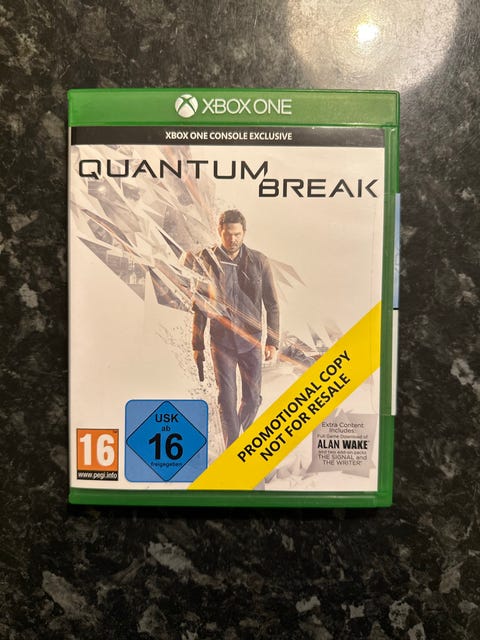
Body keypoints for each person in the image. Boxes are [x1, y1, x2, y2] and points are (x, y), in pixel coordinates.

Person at [192, 209, 280, 448]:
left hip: (252, 341)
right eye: (228, 234)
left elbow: (272, 304)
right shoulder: (206, 261)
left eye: (238, 234)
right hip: (221, 343)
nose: (233, 239)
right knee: (226, 400)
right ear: (219, 232)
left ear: (244, 233)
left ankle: (242, 441)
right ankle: (234, 451)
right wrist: (197, 345)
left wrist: (272, 342)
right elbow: (200, 306)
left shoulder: (259, 261)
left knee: (253, 399)